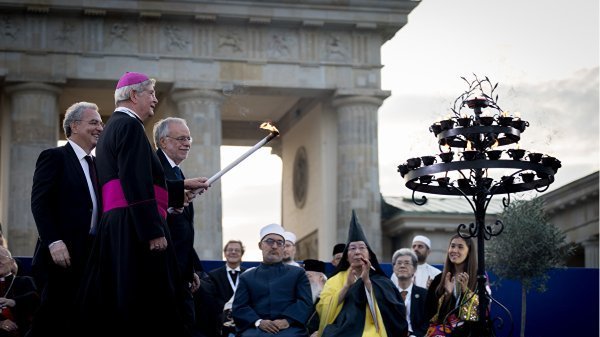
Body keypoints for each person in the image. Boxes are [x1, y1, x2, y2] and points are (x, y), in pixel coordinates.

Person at [76, 71, 209, 337]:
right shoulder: (130, 126)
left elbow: (135, 183)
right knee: (143, 304)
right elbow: (135, 181)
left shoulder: (114, 126)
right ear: (134, 95)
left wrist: (180, 187)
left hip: (119, 223)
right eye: (151, 93)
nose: (155, 100)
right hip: (133, 228)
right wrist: (153, 231)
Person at [28, 101, 103, 337]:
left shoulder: (99, 165)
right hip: (60, 258)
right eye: (93, 122)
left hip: (90, 257)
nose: (100, 128)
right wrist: (53, 241)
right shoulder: (54, 157)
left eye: (101, 123)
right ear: (74, 126)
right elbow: (40, 203)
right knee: (51, 321)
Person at [316, 211, 408, 337]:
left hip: (375, 329)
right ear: (347, 257)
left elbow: (394, 311)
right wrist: (347, 286)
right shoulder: (335, 280)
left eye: (362, 248)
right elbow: (324, 309)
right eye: (352, 248)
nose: (357, 252)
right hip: (343, 328)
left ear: (369, 254)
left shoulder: (382, 280)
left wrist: (367, 282)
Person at [154, 117, 206, 331]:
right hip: (161, 270)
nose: (187, 143)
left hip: (179, 270)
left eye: (189, 138)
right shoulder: (155, 168)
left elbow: (184, 229)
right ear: (163, 141)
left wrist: (190, 268)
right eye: (181, 138)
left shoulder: (176, 171)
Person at [232, 223, 312, 337]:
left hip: (290, 328)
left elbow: (305, 302)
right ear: (260, 245)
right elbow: (239, 307)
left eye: (280, 243)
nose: (274, 246)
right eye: (270, 241)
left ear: (283, 247)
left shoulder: (297, 273)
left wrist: (287, 321)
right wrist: (259, 322)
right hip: (255, 329)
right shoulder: (247, 277)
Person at [424, 234, 482, 337]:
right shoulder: (439, 279)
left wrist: (465, 292)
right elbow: (430, 314)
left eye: (460, 247)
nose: (454, 250)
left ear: (469, 252)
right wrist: (447, 296)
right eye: (452, 246)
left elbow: (481, 313)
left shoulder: (479, 279)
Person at [209, 240, 247, 337]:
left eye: (237, 250)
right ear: (225, 253)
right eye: (230, 250)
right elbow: (213, 299)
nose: (233, 252)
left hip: (244, 317)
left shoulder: (249, 275)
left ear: (241, 254)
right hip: (221, 320)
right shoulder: (213, 275)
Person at [0, 246, 39, 337]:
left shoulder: (24, 281)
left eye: (1, 257)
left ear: (12, 262)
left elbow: (35, 298)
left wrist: (13, 302)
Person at [392, 248, 429, 337]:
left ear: (414, 269)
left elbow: (427, 321)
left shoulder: (424, 294)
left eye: (407, 263)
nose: (402, 266)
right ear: (394, 268)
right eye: (399, 263)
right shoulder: (388, 294)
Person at [302, 259, 327, 337]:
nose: (305, 280)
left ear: (321, 278)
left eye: (308, 276)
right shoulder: (301, 298)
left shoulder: (330, 297)